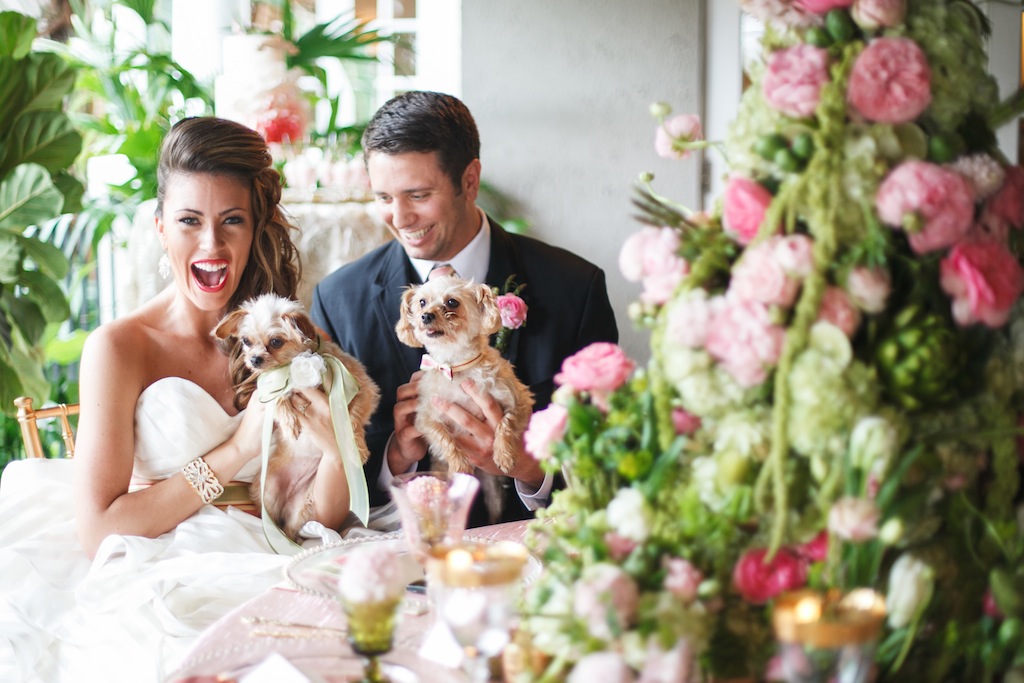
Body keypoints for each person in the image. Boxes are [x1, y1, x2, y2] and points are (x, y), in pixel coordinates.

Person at [0, 117, 353, 682]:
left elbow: (320, 519)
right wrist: (238, 449)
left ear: (254, 228)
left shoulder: (290, 340)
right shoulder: (119, 348)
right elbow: (100, 530)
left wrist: (335, 452)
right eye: (190, 221)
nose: (211, 245)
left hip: (278, 557)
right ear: (161, 228)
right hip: (164, 570)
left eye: (231, 221)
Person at [312, 91, 618, 528]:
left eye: (418, 195)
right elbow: (327, 472)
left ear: (470, 181)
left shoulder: (575, 288)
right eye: (383, 197)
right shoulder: (339, 300)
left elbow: (610, 458)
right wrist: (394, 460)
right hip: (397, 551)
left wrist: (532, 470)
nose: (399, 217)